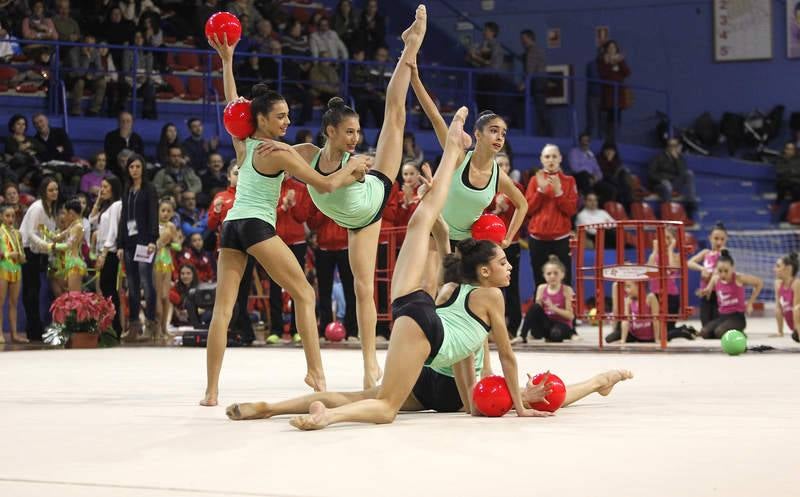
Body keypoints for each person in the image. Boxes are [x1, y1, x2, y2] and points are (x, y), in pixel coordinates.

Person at [263, 105, 556, 431]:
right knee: (384, 406)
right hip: (431, 350)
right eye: (502, 262)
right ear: (484, 271)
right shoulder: (486, 301)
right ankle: (327, 413)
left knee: (426, 217)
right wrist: (523, 401)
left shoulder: (453, 283)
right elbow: (493, 372)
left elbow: (440, 233)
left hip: (415, 317)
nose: (508, 268)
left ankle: (273, 407)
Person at [257, 7, 429, 389]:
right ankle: (368, 361)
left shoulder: (358, 164)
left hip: (375, 196)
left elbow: (332, 182)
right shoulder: (306, 153)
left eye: (356, 133)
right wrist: (256, 138)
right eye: (348, 132)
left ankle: (410, 47)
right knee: (360, 287)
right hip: (353, 221)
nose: (354, 138)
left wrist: (354, 169)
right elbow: (273, 154)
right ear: (330, 132)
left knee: (395, 115)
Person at [201, 30, 370, 406]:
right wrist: (354, 167)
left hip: (232, 227)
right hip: (257, 226)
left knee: (223, 310)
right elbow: (325, 186)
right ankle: (316, 372)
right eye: (279, 116)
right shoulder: (278, 152)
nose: (286, 121)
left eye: (287, 116)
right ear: (260, 118)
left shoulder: (243, 143)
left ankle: (211, 391)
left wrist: (227, 62)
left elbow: (233, 103)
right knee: (305, 294)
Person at [410, 64, 528, 249]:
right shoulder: (458, 158)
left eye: (503, 133)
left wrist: (507, 239)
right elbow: (435, 117)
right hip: (435, 235)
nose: (499, 137)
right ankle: (458, 120)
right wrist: (415, 78)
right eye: (494, 131)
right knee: (431, 279)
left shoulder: (499, 176)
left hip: (467, 246)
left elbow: (522, 204)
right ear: (477, 134)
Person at [116, 154, 159, 341]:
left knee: (146, 283)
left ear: (143, 168)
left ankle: (151, 324)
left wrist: (152, 239)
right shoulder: (127, 190)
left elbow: (153, 215)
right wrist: (120, 244)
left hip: (144, 242)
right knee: (132, 286)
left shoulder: (149, 189)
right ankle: (134, 325)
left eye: (137, 166)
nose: (134, 170)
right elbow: (123, 217)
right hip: (129, 243)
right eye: (131, 167)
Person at [525, 144, 578, 287]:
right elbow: (528, 210)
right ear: (542, 159)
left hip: (561, 237)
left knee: (565, 281)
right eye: (547, 156)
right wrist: (540, 192)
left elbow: (571, 210)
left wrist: (559, 193)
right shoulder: (534, 180)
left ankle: (566, 308)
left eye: (554, 156)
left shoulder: (569, 181)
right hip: (537, 238)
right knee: (539, 281)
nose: (551, 160)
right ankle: (541, 308)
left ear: (560, 159)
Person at [486, 153, 524, 339]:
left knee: (512, 287)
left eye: (507, 164)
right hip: (490, 246)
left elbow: (524, 212)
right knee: (491, 287)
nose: (504, 167)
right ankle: (491, 327)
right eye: (500, 163)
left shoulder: (516, 188)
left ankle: (513, 327)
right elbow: (481, 214)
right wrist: (497, 209)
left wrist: (507, 208)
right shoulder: (485, 186)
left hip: (512, 243)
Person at [19, 176, 59, 341]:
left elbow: (47, 233)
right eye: (50, 190)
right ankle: (33, 329)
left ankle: (35, 328)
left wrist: (51, 246)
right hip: (29, 251)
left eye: (56, 189)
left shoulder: (50, 209)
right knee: (31, 292)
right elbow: (31, 234)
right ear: (43, 191)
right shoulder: (37, 208)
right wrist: (48, 247)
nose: (54, 192)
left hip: (39, 253)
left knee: (34, 290)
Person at [698, 250, 763, 339]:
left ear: (732, 268)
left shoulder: (738, 278)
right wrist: (704, 292)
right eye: (720, 271)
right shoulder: (715, 279)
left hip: (737, 318)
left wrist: (750, 303)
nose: (723, 274)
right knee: (704, 333)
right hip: (722, 317)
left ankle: (739, 332)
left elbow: (759, 283)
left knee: (719, 332)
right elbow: (707, 291)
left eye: (726, 271)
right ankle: (732, 332)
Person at [89, 176, 122, 336]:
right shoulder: (105, 207)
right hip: (103, 251)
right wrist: (98, 202)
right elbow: (91, 221)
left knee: (110, 290)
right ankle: (109, 325)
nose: (102, 189)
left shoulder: (117, 205)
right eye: (101, 187)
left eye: (106, 187)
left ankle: (115, 327)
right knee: (104, 288)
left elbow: (113, 232)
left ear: (113, 188)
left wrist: (103, 254)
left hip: (110, 252)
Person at [520, 255, 575, 343]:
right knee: (535, 307)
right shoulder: (541, 288)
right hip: (546, 323)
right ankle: (522, 336)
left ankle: (568, 334)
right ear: (544, 276)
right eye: (549, 274)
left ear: (563, 274)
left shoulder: (567, 290)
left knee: (556, 334)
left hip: (562, 324)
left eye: (556, 273)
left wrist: (554, 308)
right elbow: (536, 311)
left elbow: (570, 316)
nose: (552, 276)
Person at [647, 138, 698, 222]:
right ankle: (668, 214)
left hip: (674, 183)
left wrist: (676, 159)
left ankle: (690, 205)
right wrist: (662, 179)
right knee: (667, 184)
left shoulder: (679, 159)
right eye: (672, 146)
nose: (674, 148)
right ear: (668, 147)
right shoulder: (658, 158)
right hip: (660, 184)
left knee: (689, 174)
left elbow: (682, 173)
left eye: (676, 146)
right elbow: (651, 174)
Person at [688, 223, 727, 327]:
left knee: (715, 326)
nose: (719, 242)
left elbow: (720, 271)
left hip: (719, 295)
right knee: (705, 326)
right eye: (716, 238)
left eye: (722, 239)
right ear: (710, 238)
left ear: (726, 240)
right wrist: (702, 268)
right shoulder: (706, 253)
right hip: (705, 294)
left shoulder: (724, 254)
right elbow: (689, 263)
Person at [154, 199, 180, 341]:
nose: (165, 213)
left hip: (167, 262)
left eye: (168, 211)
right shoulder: (153, 225)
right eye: (163, 210)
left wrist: (170, 243)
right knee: (158, 296)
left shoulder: (171, 226)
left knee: (165, 296)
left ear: (172, 213)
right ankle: (157, 329)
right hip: (155, 262)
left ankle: (165, 327)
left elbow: (178, 246)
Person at [0, 205, 26, 344]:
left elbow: (22, 253)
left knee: (14, 302)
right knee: (0, 302)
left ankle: (14, 334)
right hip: (3, 268)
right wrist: (9, 254)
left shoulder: (18, 233)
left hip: (16, 269)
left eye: (12, 216)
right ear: (1, 217)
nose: (10, 219)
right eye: (7, 216)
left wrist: (22, 257)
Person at [597, 40, 631, 141]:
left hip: (619, 94)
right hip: (608, 93)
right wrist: (610, 64)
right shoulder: (603, 61)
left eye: (614, 47)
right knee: (609, 116)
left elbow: (627, 72)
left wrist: (619, 62)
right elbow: (603, 74)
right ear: (606, 49)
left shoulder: (620, 60)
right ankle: (608, 139)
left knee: (617, 116)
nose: (612, 49)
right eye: (610, 47)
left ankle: (616, 138)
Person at [519, 29, 550, 136]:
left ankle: (544, 133)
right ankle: (544, 132)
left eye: (523, 39)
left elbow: (530, 69)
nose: (521, 41)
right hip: (540, 82)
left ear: (529, 38)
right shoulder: (537, 50)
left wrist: (524, 83)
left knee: (540, 108)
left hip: (538, 82)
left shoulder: (532, 51)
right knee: (541, 108)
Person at [51, 199, 86, 292]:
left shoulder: (78, 227)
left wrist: (53, 246)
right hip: (68, 262)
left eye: (65, 213)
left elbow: (68, 245)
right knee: (70, 296)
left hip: (74, 263)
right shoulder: (73, 225)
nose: (64, 216)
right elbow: (57, 237)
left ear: (71, 213)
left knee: (74, 297)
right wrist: (45, 231)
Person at [104, 112, 144, 178]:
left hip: (133, 168)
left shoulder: (137, 138)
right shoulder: (110, 136)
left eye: (128, 121)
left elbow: (141, 156)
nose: (125, 124)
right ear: (118, 123)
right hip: (115, 168)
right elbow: (108, 155)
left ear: (132, 123)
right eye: (122, 121)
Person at [597, 142, 634, 209]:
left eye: (611, 150)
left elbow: (618, 171)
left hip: (616, 181)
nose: (609, 152)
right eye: (607, 150)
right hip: (604, 180)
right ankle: (613, 209)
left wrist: (611, 161)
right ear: (604, 151)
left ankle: (627, 210)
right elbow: (601, 172)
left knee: (626, 188)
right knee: (614, 189)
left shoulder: (617, 160)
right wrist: (608, 161)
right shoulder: (599, 159)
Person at [774, 252, 800, 342]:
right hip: (796, 330)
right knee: (795, 336)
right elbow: (778, 308)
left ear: (788, 268)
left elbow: (797, 309)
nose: (774, 269)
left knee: (797, 308)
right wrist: (780, 332)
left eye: (778, 266)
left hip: (798, 326)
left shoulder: (796, 283)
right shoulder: (778, 284)